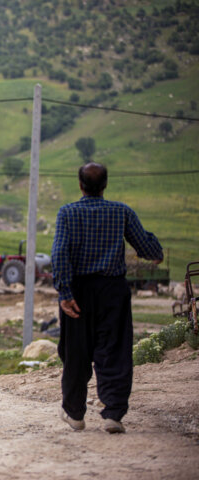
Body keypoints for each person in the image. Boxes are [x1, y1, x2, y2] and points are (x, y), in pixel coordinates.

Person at [51, 162, 163, 434]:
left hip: (78, 291)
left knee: (76, 354)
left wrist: (65, 293)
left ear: (80, 186)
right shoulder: (121, 212)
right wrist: (155, 252)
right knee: (113, 351)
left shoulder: (67, 213)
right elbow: (148, 248)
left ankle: (75, 414)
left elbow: (59, 253)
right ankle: (113, 414)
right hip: (113, 290)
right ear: (105, 186)